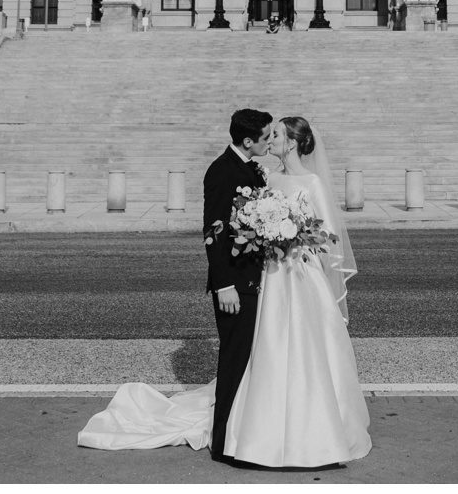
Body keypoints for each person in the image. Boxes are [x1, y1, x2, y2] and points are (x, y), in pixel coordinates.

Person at [77, 112, 370, 469]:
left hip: (294, 275)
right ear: (249, 141)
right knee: (259, 354)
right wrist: (227, 280)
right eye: (267, 135)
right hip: (265, 278)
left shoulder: (290, 179)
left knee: (293, 353)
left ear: (292, 143)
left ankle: (304, 429)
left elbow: (326, 236)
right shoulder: (244, 173)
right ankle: (235, 436)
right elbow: (215, 232)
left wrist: (294, 240)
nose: (270, 140)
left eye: (276, 134)